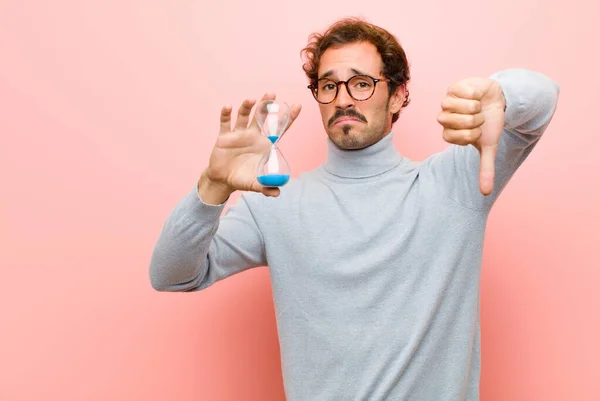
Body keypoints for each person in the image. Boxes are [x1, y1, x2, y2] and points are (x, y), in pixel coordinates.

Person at [149, 17, 559, 401]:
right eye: (328, 86)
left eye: (361, 83)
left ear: (397, 95)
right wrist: (213, 185)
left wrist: (501, 94)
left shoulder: (453, 185)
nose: (343, 98)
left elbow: (542, 102)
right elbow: (171, 275)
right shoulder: (274, 202)